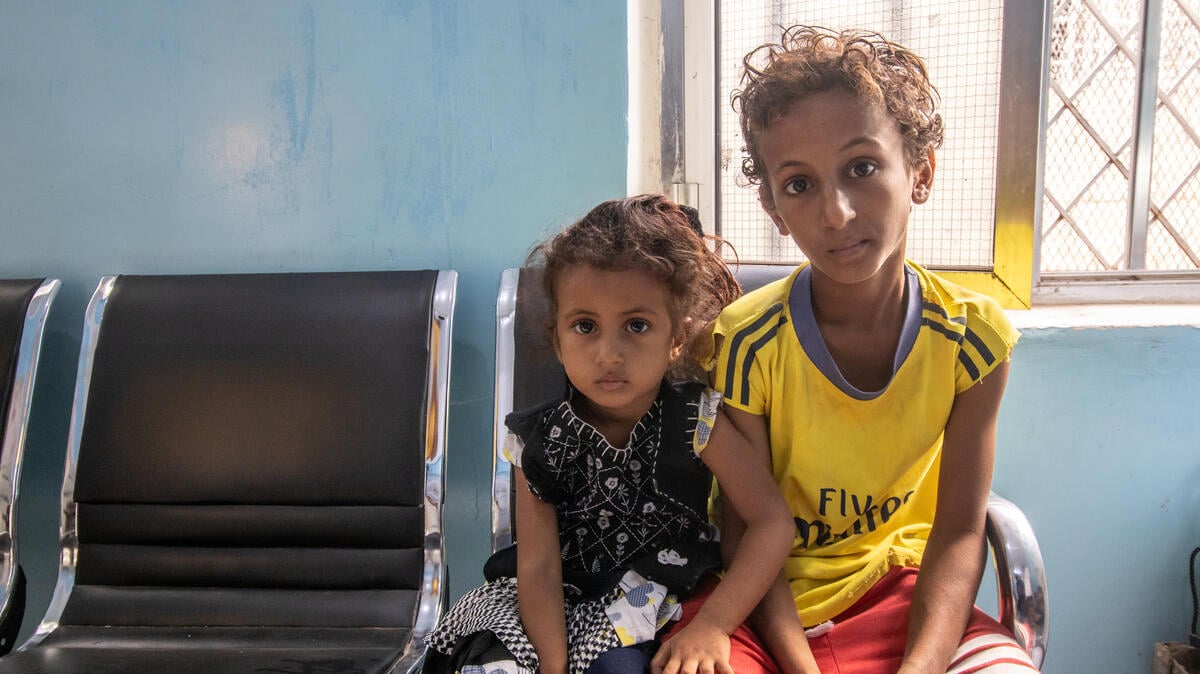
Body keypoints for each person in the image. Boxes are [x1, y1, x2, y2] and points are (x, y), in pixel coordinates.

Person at [660, 26, 1039, 673]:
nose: (835, 213)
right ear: (773, 208)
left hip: (905, 599)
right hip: (764, 608)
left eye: (861, 169)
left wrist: (921, 668)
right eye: (799, 185)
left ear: (920, 173)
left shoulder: (972, 341)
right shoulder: (747, 341)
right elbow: (746, 533)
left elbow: (957, 533)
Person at [424, 195, 796, 674]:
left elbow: (772, 522)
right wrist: (553, 667)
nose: (609, 354)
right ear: (558, 339)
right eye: (585, 326)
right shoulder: (535, 440)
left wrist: (715, 625)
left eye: (636, 325)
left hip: (649, 602)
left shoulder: (697, 420)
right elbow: (538, 567)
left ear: (677, 337)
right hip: (544, 603)